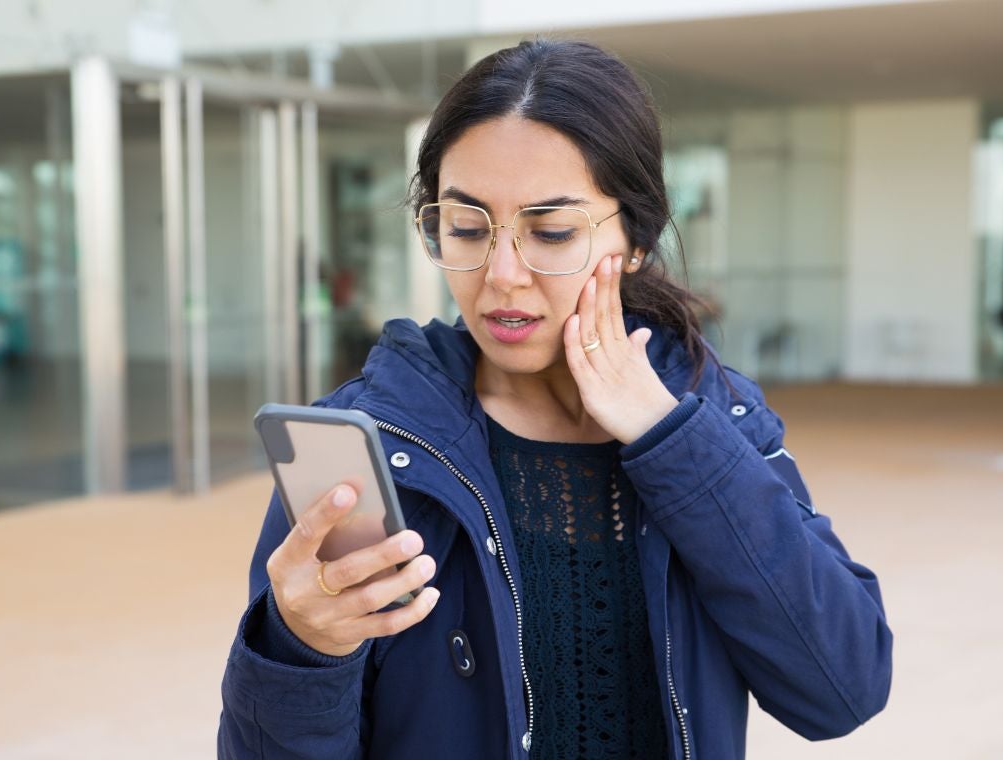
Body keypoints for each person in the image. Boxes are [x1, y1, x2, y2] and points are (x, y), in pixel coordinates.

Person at [218, 39, 892, 760]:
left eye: (552, 231)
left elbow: (842, 688)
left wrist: (670, 438)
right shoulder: (376, 445)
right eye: (467, 228)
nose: (503, 274)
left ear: (636, 238)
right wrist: (299, 648)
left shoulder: (710, 416)